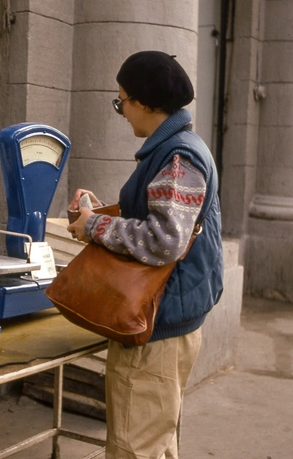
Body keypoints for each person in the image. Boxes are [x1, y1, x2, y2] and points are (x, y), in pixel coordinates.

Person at [67, 51, 224, 459]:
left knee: (134, 448)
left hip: (158, 324)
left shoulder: (178, 157)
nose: (121, 112)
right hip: (171, 315)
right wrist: (102, 215)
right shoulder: (179, 148)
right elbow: (165, 220)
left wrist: (94, 227)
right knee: (157, 441)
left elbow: (165, 239)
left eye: (122, 101)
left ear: (148, 104)